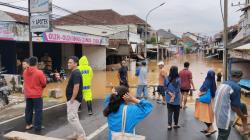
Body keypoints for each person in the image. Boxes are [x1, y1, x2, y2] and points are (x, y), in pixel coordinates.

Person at [214, 70, 249, 140]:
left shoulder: (224, 83)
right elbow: (234, 108)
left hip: (217, 112)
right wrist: (242, 116)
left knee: (243, 106)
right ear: (240, 77)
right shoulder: (236, 87)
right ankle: (244, 122)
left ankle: (246, 129)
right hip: (225, 117)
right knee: (223, 135)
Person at [23, 56, 46, 132]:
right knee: (38, 111)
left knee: (28, 110)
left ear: (29, 63)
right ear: (36, 63)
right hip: (37, 94)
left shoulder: (25, 72)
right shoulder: (39, 72)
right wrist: (41, 87)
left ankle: (28, 124)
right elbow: (44, 83)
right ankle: (37, 126)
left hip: (28, 94)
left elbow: (25, 82)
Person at [66, 56, 86, 140]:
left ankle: (82, 135)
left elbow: (76, 87)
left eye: (70, 62)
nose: (68, 64)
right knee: (75, 116)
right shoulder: (74, 72)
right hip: (73, 98)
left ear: (75, 64)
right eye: (68, 62)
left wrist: (72, 98)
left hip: (74, 99)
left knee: (71, 117)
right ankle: (76, 134)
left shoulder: (76, 73)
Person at [195, 70, 217, 136]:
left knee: (204, 116)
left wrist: (198, 94)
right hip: (210, 101)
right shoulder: (213, 82)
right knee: (208, 115)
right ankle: (209, 128)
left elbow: (201, 91)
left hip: (204, 102)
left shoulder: (207, 81)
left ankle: (211, 129)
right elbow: (213, 93)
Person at [164, 66, 181, 130]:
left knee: (169, 112)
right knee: (176, 112)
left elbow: (165, 87)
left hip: (168, 98)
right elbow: (177, 89)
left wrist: (170, 94)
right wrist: (173, 96)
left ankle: (169, 125)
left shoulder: (166, 78)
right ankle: (175, 124)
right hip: (176, 99)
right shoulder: (178, 79)